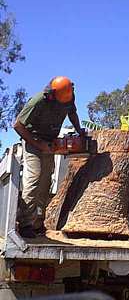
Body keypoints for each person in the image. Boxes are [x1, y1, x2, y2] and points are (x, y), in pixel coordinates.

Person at [14, 76, 83, 238]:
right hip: (33, 141)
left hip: (50, 143)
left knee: (45, 184)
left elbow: (72, 113)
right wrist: (39, 145)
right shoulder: (37, 101)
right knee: (34, 180)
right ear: (52, 94)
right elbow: (18, 125)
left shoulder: (68, 96)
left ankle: (38, 223)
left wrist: (79, 131)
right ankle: (24, 224)